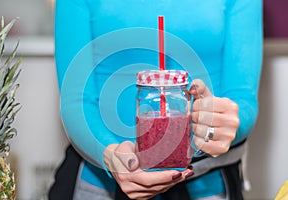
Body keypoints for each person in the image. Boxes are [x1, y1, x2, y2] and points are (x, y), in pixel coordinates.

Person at [49, 0, 263, 199]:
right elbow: (76, 100)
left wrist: (224, 124)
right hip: (99, 180)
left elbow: (243, 99)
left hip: (207, 182)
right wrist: (110, 155)